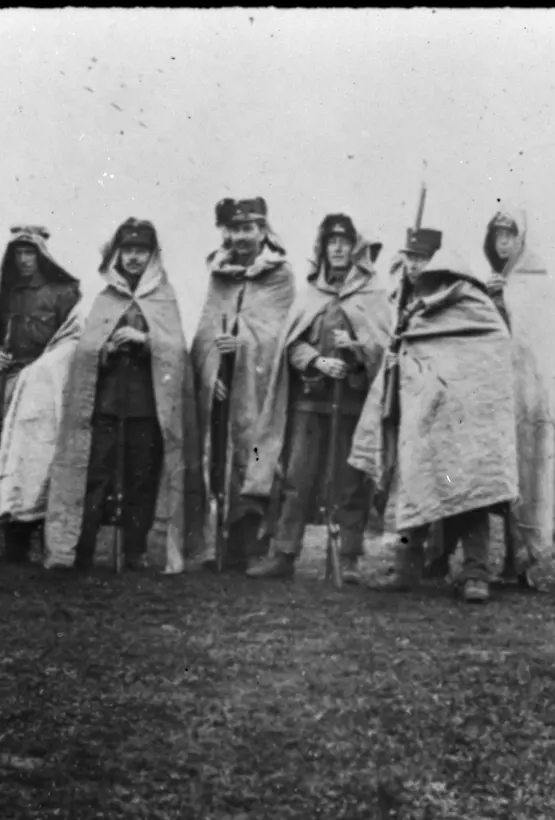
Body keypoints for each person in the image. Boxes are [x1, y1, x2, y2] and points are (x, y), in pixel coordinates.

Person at [349, 227, 518, 603]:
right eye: (409, 258)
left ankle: (476, 574)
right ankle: (406, 567)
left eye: (421, 259)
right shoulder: (405, 299)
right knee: (415, 484)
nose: (413, 266)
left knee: (471, 489)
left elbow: (492, 348)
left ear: (439, 262)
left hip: (464, 417)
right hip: (420, 413)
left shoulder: (469, 301)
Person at [43, 218, 204, 572]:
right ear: (117, 254)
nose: (133, 258)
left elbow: (176, 351)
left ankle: (134, 548)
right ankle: (82, 548)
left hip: (146, 406)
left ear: (152, 256)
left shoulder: (165, 297)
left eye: (141, 251)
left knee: (140, 478)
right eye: (127, 250)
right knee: (95, 474)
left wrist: (146, 341)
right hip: (106, 404)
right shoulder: (104, 299)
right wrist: (106, 351)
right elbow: (84, 351)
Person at [243, 213, 392, 583]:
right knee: (297, 479)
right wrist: (318, 360)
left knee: (351, 482)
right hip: (310, 404)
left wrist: (357, 351)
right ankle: (284, 553)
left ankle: (349, 557)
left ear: (355, 248)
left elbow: (383, 352)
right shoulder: (311, 294)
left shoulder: (373, 294)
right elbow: (290, 346)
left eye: (344, 241)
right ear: (323, 248)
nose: (338, 248)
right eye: (331, 242)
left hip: (354, 406)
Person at [189, 196, 296, 569]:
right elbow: (206, 335)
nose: (241, 237)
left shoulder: (280, 277)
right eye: (234, 229)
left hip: (258, 391)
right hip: (221, 390)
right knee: (218, 456)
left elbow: (277, 337)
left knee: (255, 456)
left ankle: (254, 546)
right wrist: (212, 372)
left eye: (248, 229)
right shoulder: (218, 277)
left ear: (263, 231)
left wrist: (244, 348)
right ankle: (219, 545)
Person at [481, 205, 555, 588]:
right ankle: (496, 559)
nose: (503, 243)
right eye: (497, 237)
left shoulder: (537, 283)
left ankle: (521, 561)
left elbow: (540, 343)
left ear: (523, 239)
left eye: (509, 236)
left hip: (531, 397)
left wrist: (508, 301)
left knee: (528, 474)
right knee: (502, 477)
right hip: (500, 394)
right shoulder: (491, 282)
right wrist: (493, 303)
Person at [0, 225, 81, 562]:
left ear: (42, 254)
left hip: (46, 392)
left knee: (41, 459)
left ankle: (43, 533)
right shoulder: (5, 293)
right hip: (10, 385)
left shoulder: (64, 292)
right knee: (9, 457)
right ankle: (12, 538)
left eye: (30, 252)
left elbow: (73, 339)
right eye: (18, 253)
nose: (24, 260)